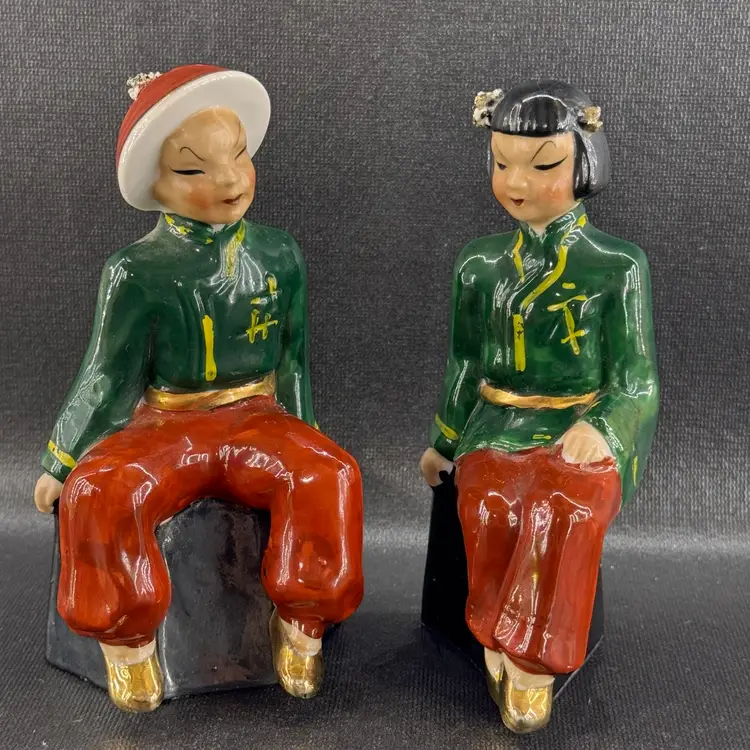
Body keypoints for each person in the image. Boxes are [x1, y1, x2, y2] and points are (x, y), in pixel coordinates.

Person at [34, 64, 364, 712]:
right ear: (155, 185)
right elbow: (107, 371)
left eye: (238, 156)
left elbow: (293, 360)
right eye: (194, 169)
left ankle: (303, 623)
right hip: (168, 423)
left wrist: (306, 431)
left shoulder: (279, 254)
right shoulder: (136, 271)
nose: (230, 180)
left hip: (258, 414)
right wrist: (62, 456)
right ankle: (127, 643)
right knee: (101, 490)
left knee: (328, 473)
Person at [420, 80, 659, 733]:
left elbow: (637, 380)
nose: (518, 182)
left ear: (583, 164)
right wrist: (444, 438)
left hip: (578, 422)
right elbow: (464, 363)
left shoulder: (617, 266)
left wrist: (603, 428)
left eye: (543, 165)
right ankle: (493, 636)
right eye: (503, 164)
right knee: (491, 504)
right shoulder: (480, 264)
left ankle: (532, 663)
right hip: (498, 422)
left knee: (563, 507)